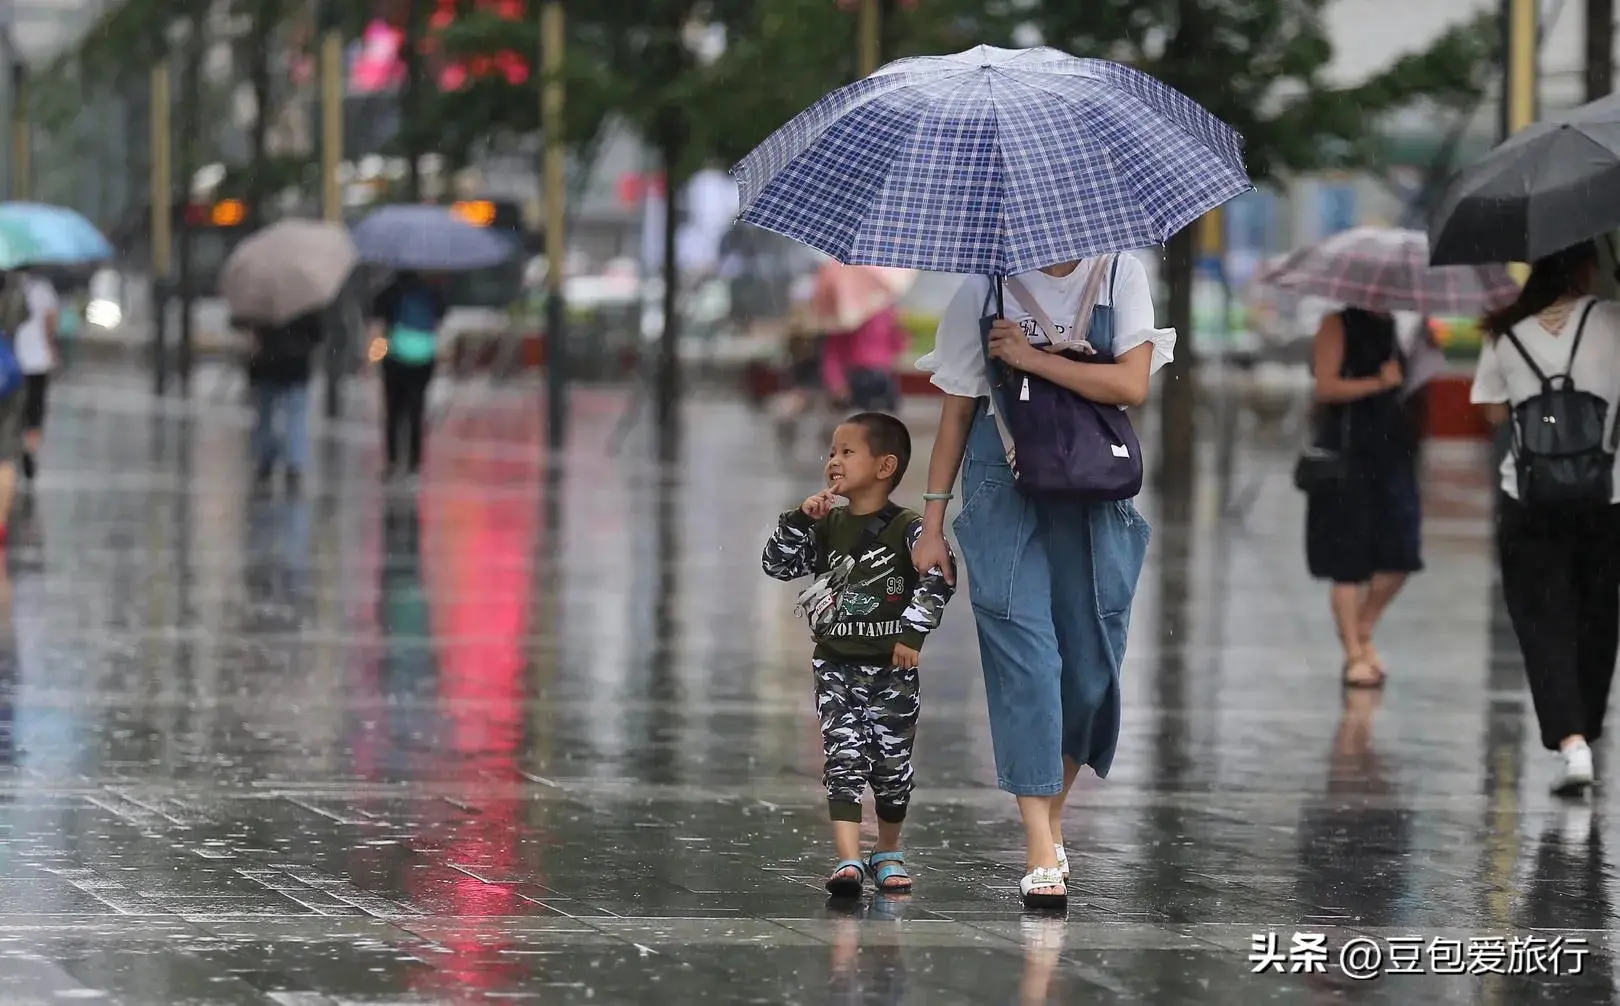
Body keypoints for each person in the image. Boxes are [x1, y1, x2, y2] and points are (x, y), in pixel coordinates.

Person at [911, 253, 1172, 909]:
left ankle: (1050, 815)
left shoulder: (1121, 276)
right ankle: (1036, 841)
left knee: (1089, 669)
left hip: (1093, 488)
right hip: (1003, 488)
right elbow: (956, 413)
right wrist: (933, 524)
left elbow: (1133, 384)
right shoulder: (983, 288)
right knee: (1025, 657)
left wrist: (1032, 360)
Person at [761, 412, 954, 897]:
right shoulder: (828, 526)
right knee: (842, 758)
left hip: (892, 670)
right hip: (835, 664)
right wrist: (801, 520)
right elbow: (777, 565)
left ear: (885, 465)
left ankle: (887, 850)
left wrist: (913, 634)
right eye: (832, 452)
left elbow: (939, 577)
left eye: (847, 452)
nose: (834, 461)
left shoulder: (908, 529)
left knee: (892, 767)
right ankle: (848, 860)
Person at [1470, 240, 1620, 797]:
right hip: (1605, 496)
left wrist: (1543, 403)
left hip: (1527, 497)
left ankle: (1572, 743)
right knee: (1597, 618)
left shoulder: (1505, 330)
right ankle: (1588, 730)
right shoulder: (1611, 320)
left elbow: (1490, 408)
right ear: (1586, 266)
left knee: (1543, 623)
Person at [1304, 307, 1421, 688]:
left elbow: (1402, 384)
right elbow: (1326, 386)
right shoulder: (1336, 324)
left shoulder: (1393, 326)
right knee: (1348, 560)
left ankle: (1363, 629)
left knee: (1402, 553)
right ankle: (1354, 654)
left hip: (1391, 454)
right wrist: (1378, 382)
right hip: (1347, 455)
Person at [369, 272, 448, 479]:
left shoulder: (390, 289)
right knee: (417, 409)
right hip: (424, 357)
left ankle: (393, 461)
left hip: (395, 356)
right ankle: (414, 464)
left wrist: (373, 357)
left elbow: (379, 326)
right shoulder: (432, 290)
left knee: (393, 411)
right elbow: (440, 322)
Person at [246, 311, 323, 494]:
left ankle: (265, 461)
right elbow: (317, 335)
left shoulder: (261, 306)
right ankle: (294, 464)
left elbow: (250, 335)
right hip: (296, 366)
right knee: (296, 416)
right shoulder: (305, 305)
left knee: (265, 416)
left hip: (266, 366)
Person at [13, 269, 57, 484]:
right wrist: (51, 346)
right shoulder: (43, 288)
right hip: (38, 360)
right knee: (35, 411)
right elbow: (50, 319)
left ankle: (14, 445)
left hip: (12, 361)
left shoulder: (10, 287)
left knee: (14, 410)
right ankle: (29, 449)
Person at [822, 305, 908, 413]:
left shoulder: (886, 315)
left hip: (882, 377)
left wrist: (899, 329)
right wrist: (837, 383)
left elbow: (898, 347)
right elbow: (833, 353)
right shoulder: (848, 317)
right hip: (857, 380)